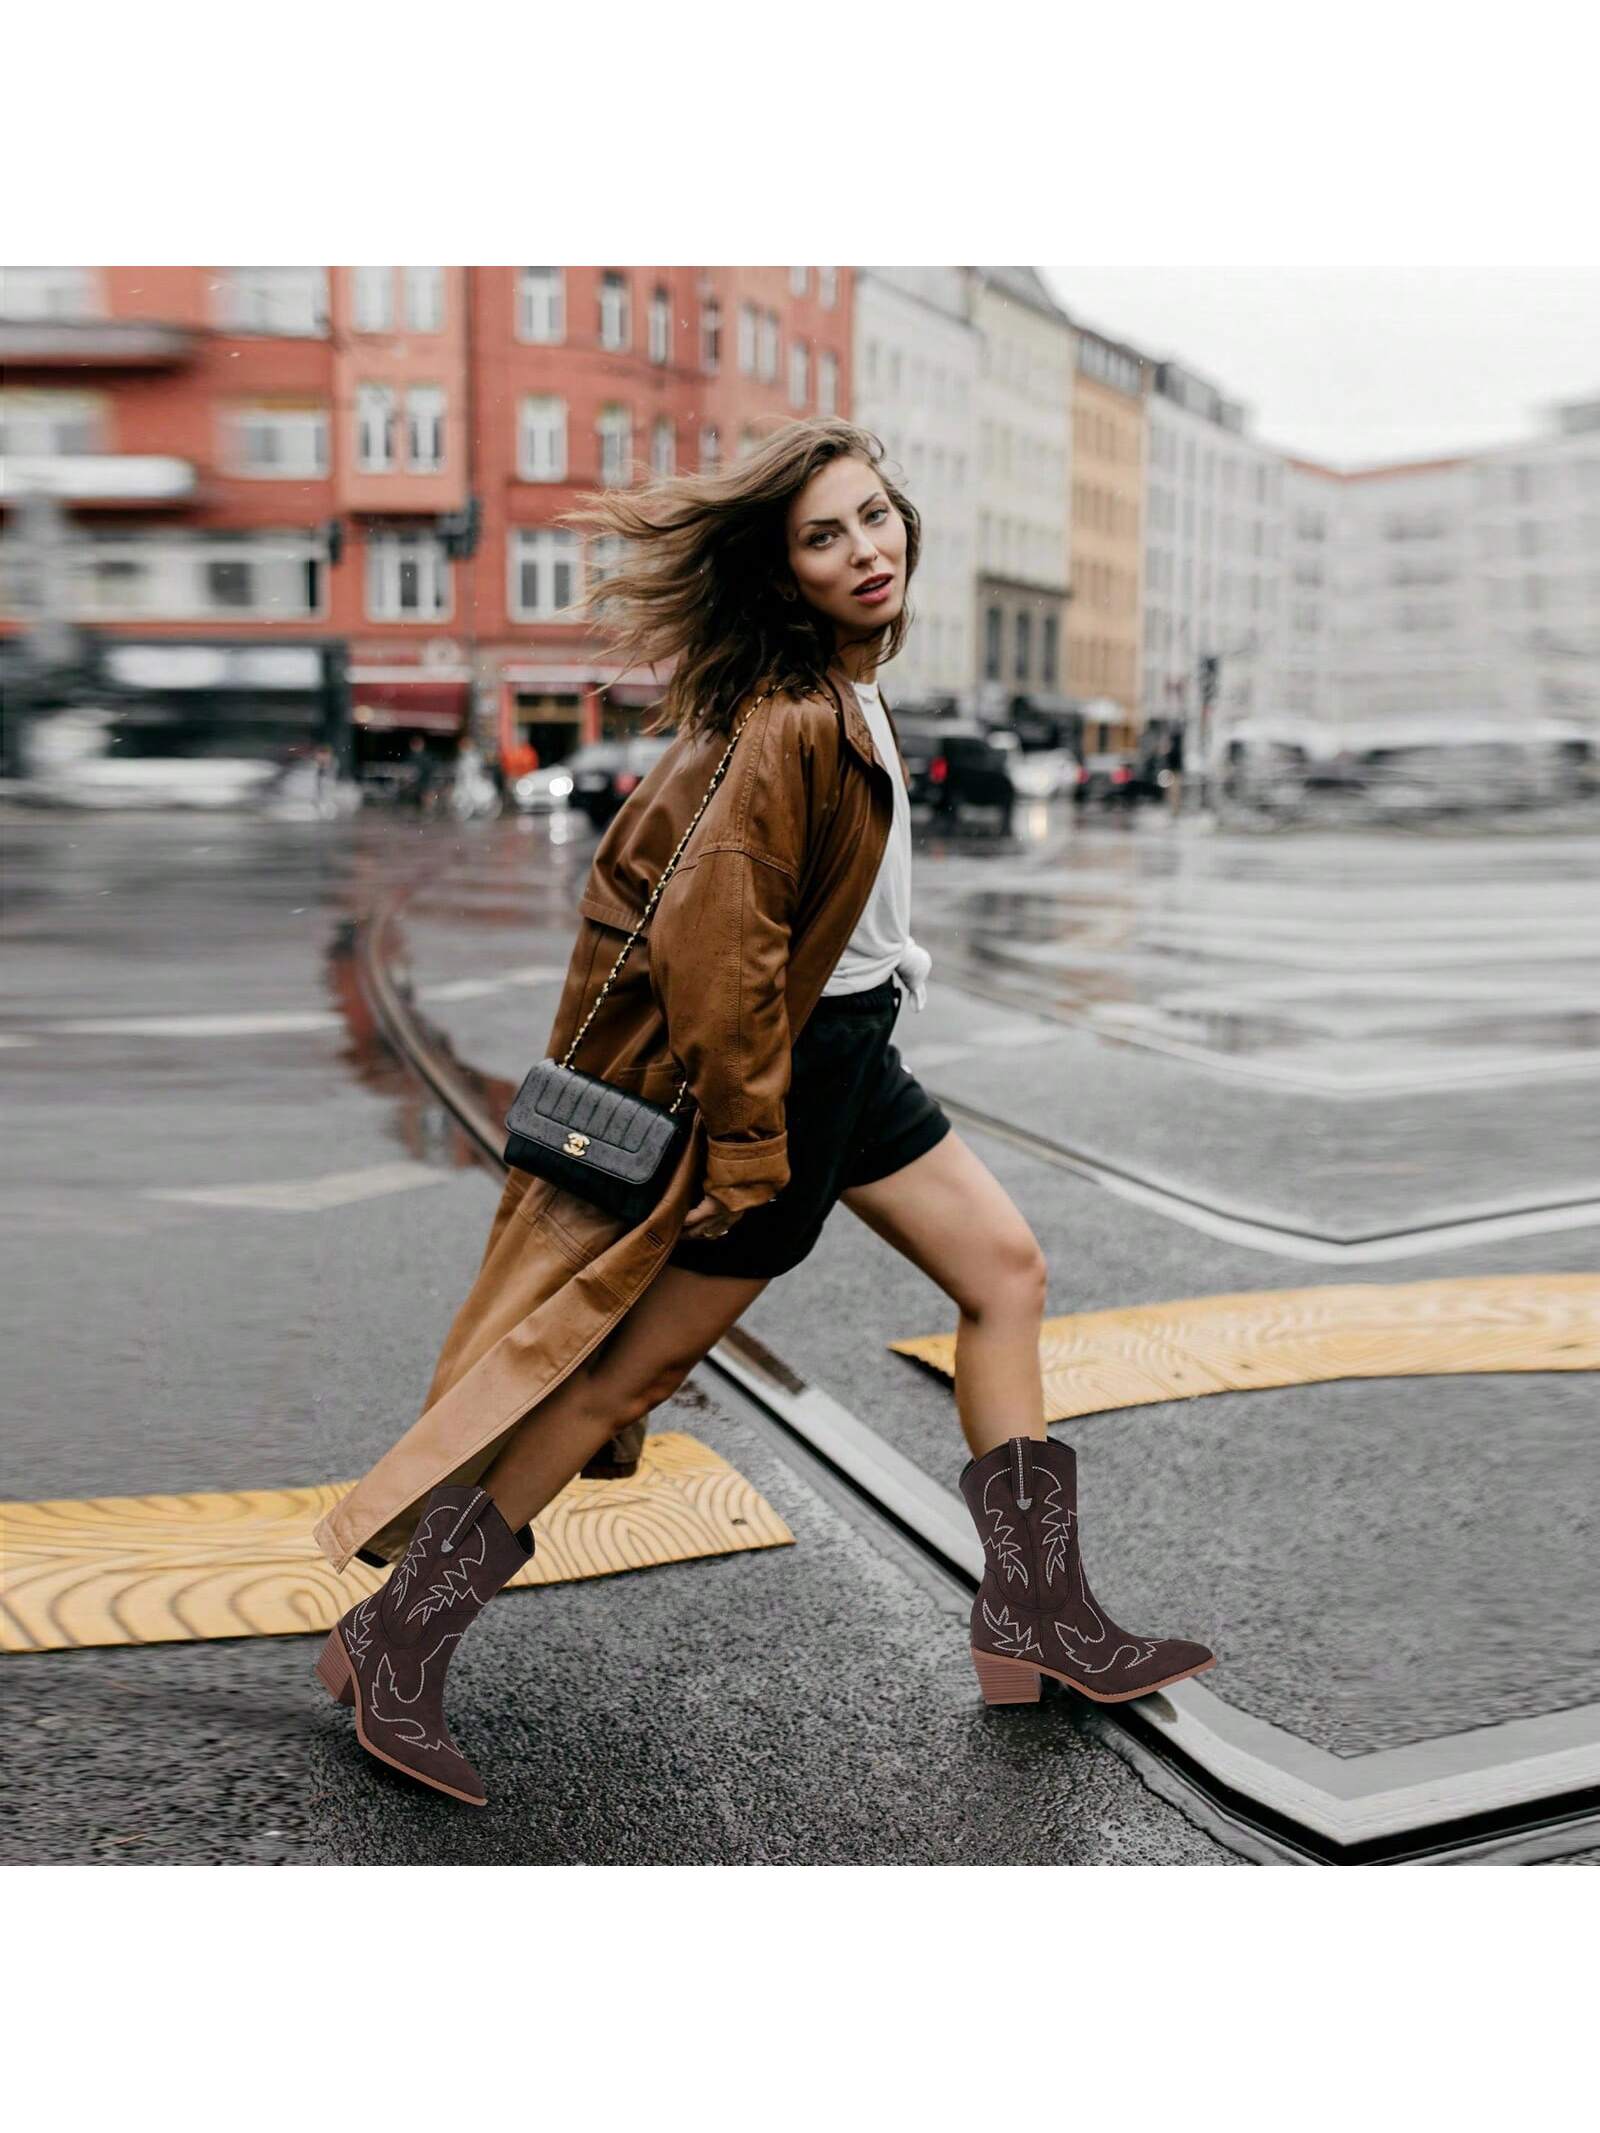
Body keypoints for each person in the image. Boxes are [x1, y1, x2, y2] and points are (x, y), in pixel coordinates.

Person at [310, 417, 1214, 1808]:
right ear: (781, 571)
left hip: (853, 1059)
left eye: (873, 519)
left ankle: (1036, 1615)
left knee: (1007, 1272)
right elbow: (719, 947)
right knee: (621, 1372)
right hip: (783, 1076)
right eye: (825, 537)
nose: (866, 552)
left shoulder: (845, 686)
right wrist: (745, 1146)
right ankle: (398, 1633)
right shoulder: (794, 717)